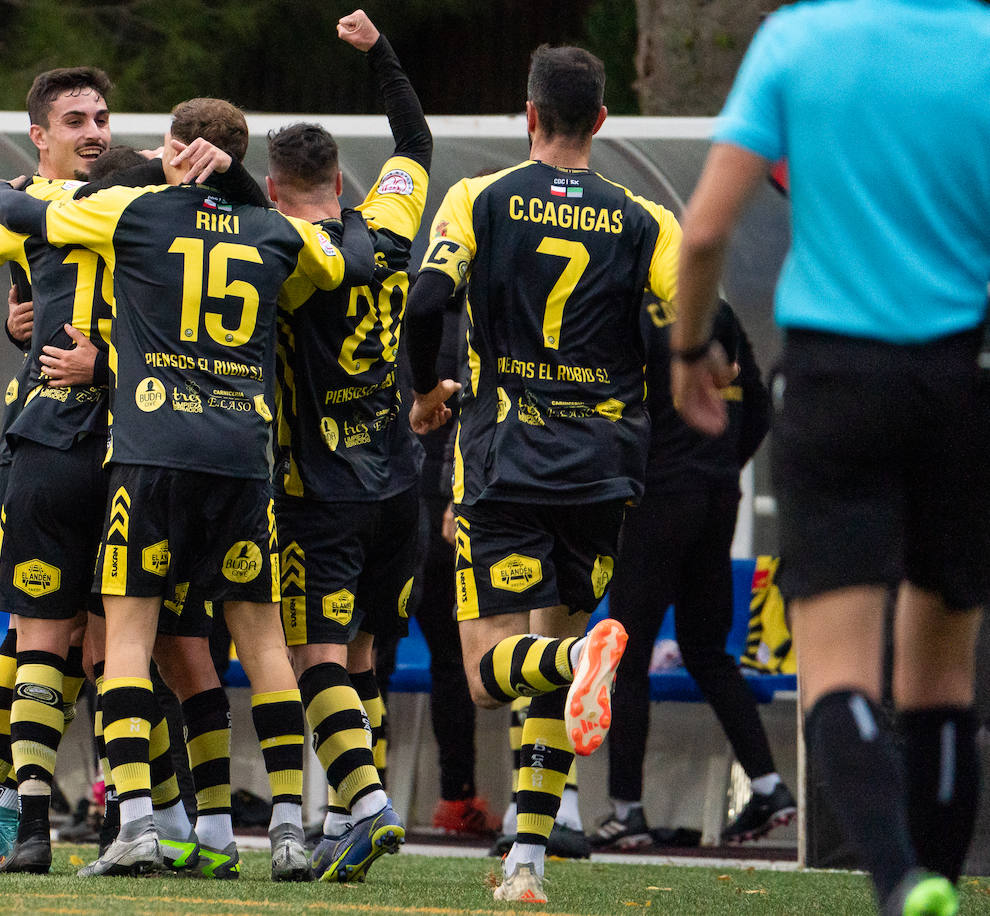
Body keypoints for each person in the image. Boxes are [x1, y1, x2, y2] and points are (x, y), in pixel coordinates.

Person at [0, 105, 374, 878]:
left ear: (172, 148)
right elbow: (348, 259)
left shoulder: (137, 207)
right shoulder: (278, 233)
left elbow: (25, 212)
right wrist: (258, 203)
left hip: (151, 451)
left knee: (124, 644)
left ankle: (132, 824)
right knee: (263, 647)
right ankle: (289, 831)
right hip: (241, 459)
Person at [670, 2, 990, 912]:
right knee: (942, 678)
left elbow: (702, 233)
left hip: (835, 378)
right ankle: (937, 879)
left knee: (837, 672)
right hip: (960, 378)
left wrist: (691, 354)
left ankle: (899, 885)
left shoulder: (798, 40)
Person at [405, 45, 680, 905]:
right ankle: (524, 861)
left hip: (506, 456)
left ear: (531, 114)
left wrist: (425, 396)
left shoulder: (478, 199)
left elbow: (424, 302)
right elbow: (679, 338)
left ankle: (573, 663)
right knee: (557, 671)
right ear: (601, 120)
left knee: (491, 672)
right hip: (601, 464)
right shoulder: (646, 220)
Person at [268, 8, 429, 882]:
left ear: (273, 190)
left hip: (320, 488)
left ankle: (367, 804)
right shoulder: (395, 223)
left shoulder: (285, 253)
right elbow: (416, 136)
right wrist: (381, 55)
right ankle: (340, 821)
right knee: (363, 654)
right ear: (341, 179)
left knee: (314, 660)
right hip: (400, 481)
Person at [591, 296, 794, 850]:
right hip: (717, 495)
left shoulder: (634, 311)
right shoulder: (721, 309)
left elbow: (610, 405)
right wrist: (725, 463)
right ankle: (771, 785)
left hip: (658, 497)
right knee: (707, 652)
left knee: (626, 654)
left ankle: (626, 811)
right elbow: (758, 405)